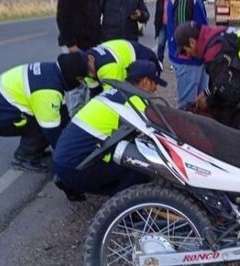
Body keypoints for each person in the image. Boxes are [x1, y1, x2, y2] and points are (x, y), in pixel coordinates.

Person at [53, 60, 167, 201]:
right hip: (75, 169)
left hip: (61, 161)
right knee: (141, 165)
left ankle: (70, 183)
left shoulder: (114, 91)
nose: (155, 88)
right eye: (154, 83)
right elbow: (159, 133)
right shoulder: (135, 100)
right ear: (145, 81)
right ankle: (124, 209)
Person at [0, 53, 90, 173]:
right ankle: (23, 158)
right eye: (80, 79)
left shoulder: (52, 71)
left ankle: (34, 151)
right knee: (44, 125)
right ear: (72, 76)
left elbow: (63, 115)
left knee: (51, 119)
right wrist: (69, 159)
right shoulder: (48, 90)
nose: (80, 83)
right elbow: (53, 131)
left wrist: (73, 135)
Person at [166, 0, 213, 109]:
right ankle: (184, 134)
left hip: (196, 58)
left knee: (201, 105)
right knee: (188, 107)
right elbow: (182, 34)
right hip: (189, 61)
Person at [85, 39, 161, 93]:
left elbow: (113, 98)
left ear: (91, 59)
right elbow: (94, 92)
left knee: (141, 95)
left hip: (143, 58)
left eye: (90, 70)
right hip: (125, 56)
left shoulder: (108, 68)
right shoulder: (84, 65)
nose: (91, 74)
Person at [154, 0, 171, 68]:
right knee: (161, 44)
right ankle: (159, 62)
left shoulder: (174, 1)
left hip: (171, 26)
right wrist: (156, 25)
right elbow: (157, 15)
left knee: (172, 45)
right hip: (162, 26)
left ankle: (173, 63)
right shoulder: (160, 1)